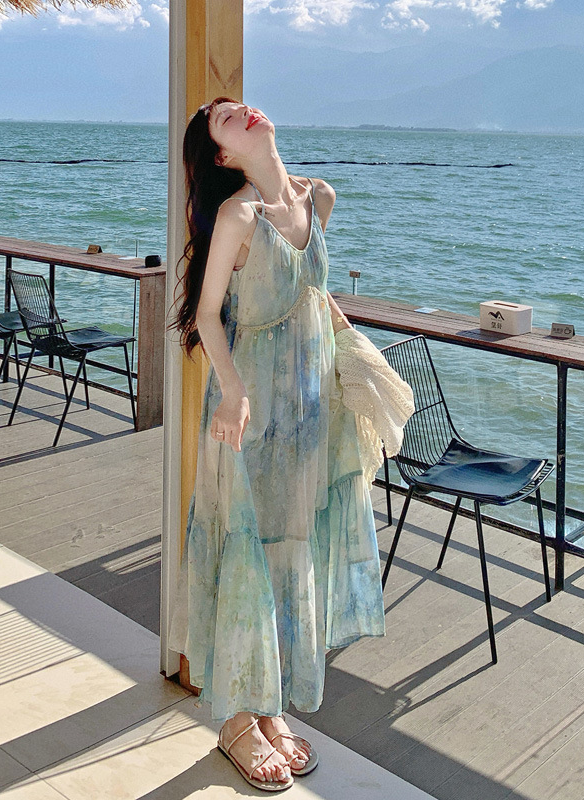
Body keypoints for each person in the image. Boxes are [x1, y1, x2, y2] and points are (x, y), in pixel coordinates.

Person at [169, 97, 386, 791]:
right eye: (224, 120)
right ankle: (237, 719)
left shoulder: (317, 198)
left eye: (238, 106)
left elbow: (313, 297)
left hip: (311, 414)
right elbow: (208, 315)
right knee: (249, 555)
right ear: (223, 156)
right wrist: (232, 392)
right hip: (250, 412)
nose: (242, 112)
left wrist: (357, 358)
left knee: (295, 554)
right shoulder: (238, 217)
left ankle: (270, 706)